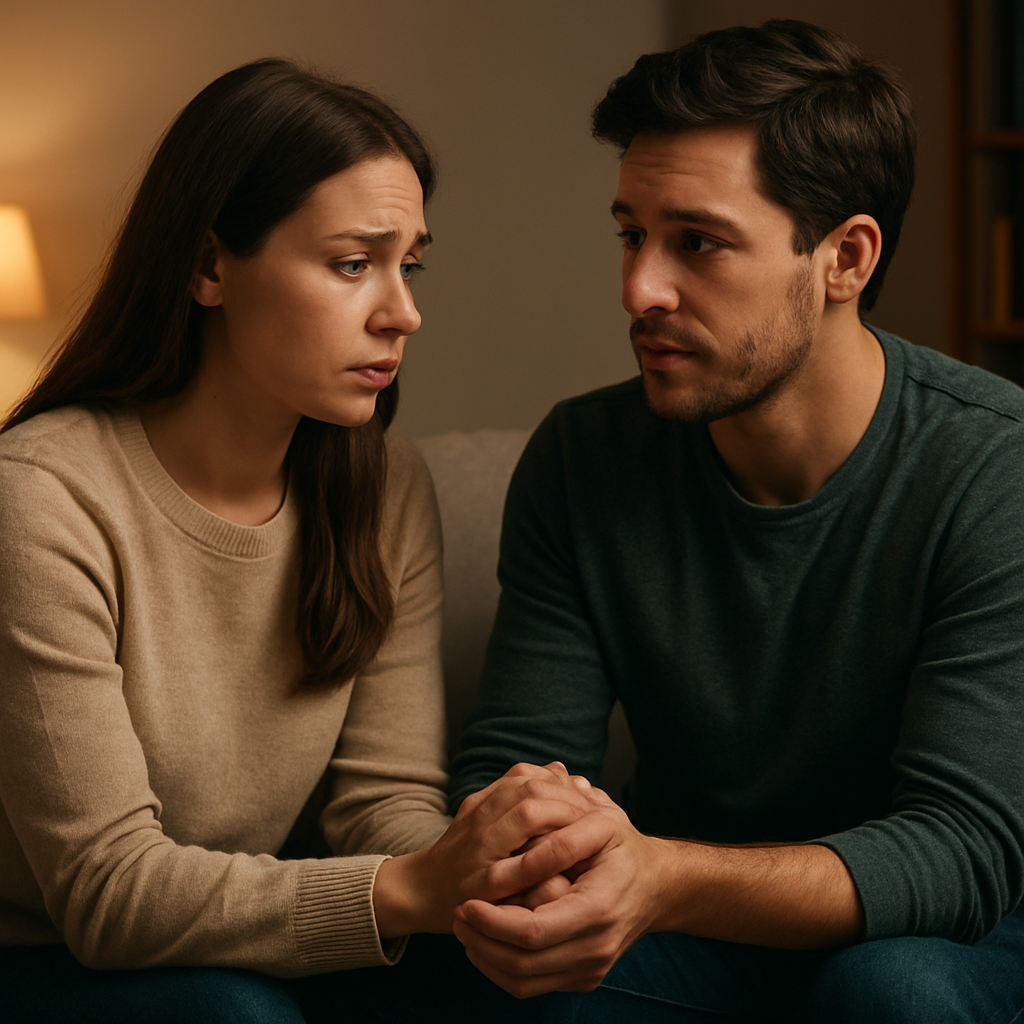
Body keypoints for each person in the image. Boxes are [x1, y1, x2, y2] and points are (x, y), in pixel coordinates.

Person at [449, 20, 1024, 1022]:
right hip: (690, 934)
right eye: (631, 233)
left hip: (946, 936)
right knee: (498, 974)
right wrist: (542, 872)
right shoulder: (583, 459)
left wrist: (662, 875)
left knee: (888, 995)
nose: (639, 289)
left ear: (844, 256)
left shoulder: (993, 464)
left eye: (698, 242)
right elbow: (519, 764)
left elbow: (959, 846)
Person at [0, 58, 596, 1024]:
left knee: (530, 982)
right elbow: (107, 895)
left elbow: (383, 803)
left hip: (245, 935)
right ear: (207, 267)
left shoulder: (383, 487)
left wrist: (494, 869)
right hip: (44, 956)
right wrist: (409, 891)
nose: (403, 311)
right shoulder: (42, 499)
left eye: (411, 264)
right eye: (354, 263)